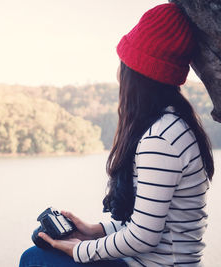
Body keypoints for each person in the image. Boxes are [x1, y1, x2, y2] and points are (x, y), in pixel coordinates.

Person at [19, 3, 214, 267]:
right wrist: (92, 230)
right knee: (38, 255)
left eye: (123, 63)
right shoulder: (174, 124)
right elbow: (147, 225)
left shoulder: (160, 140)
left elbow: (144, 237)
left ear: (135, 74)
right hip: (146, 261)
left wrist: (79, 250)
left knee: (35, 259)